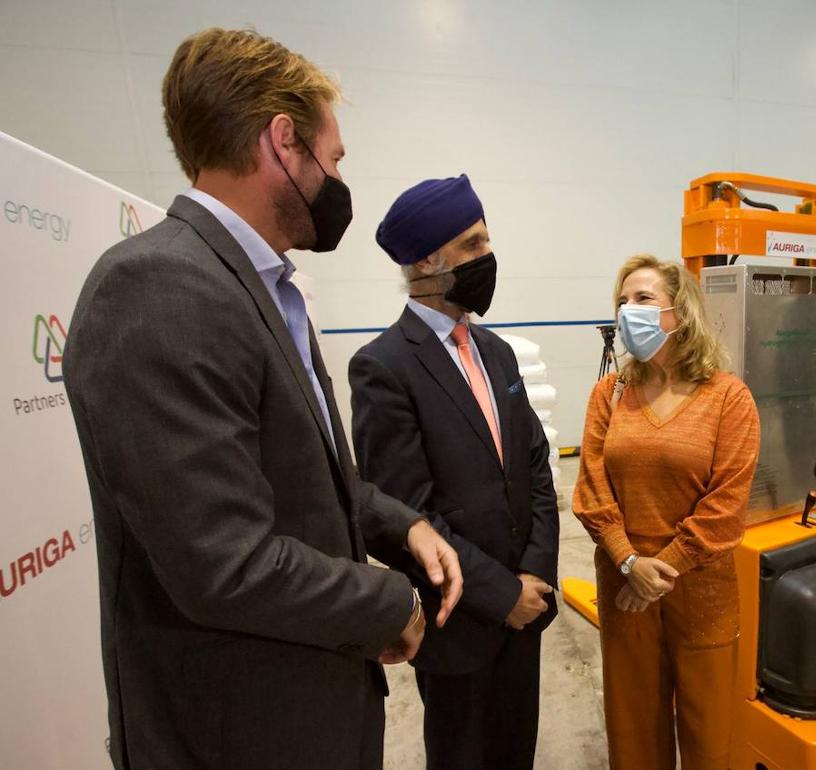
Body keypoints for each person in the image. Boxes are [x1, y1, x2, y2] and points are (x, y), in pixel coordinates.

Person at [61, 29, 462, 770]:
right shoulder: (157, 288)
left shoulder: (264, 288)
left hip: (308, 710)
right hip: (238, 733)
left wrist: (402, 529)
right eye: (334, 158)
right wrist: (391, 604)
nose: (339, 179)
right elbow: (224, 562)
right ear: (285, 142)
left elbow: (299, 476)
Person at [349, 176, 560, 770]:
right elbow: (404, 516)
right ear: (426, 262)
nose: (486, 259)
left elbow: (536, 467)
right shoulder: (384, 368)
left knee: (517, 751)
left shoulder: (498, 352)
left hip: (526, 612)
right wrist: (501, 596)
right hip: (462, 625)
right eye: (472, 246)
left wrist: (534, 578)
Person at [572, 254, 760, 770]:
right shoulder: (609, 394)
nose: (627, 310)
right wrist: (629, 562)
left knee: (709, 730)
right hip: (624, 586)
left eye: (643, 299)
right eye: (622, 300)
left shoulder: (728, 398)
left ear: (679, 314)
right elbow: (591, 490)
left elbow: (726, 504)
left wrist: (662, 567)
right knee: (633, 728)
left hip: (700, 589)